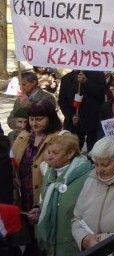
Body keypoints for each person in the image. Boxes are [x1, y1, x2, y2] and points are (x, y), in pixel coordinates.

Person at [11, 100, 63, 256]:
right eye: (32, 119)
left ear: (50, 118)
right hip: (23, 197)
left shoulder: (58, 139)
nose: (34, 123)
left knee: (42, 243)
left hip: (43, 197)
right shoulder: (23, 137)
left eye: (39, 119)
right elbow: (13, 162)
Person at [36, 133, 93, 256]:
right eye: (49, 152)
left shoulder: (87, 175)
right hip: (53, 245)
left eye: (55, 153)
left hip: (73, 244)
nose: (49, 157)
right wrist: (39, 211)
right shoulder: (49, 173)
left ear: (70, 154)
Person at [58, 70, 107, 152]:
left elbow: (101, 92)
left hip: (93, 121)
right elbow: (62, 101)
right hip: (74, 122)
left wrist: (86, 82)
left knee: (94, 152)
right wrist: (71, 116)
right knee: (71, 151)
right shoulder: (66, 78)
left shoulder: (98, 74)